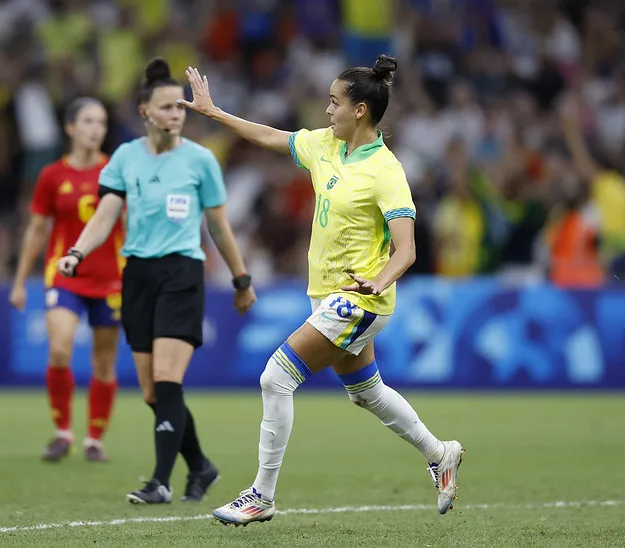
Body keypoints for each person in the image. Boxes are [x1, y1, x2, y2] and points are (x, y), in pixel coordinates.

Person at [178, 54, 465, 526]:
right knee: (366, 391)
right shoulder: (326, 147)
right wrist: (214, 113)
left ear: (360, 111)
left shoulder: (386, 171)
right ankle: (440, 454)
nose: (326, 110)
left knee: (276, 377)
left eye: (334, 102)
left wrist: (380, 279)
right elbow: (271, 136)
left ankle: (261, 496)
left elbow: (407, 248)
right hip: (329, 294)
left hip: (360, 298)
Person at [56, 58, 257, 504]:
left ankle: (161, 482)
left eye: (181, 109)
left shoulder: (200, 161)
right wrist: (76, 252)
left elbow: (219, 227)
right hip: (139, 276)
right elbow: (107, 213)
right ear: (145, 112)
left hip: (182, 272)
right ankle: (201, 466)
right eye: (166, 108)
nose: (176, 115)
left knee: (167, 378)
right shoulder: (125, 158)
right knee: (152, 391)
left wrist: (241, 278)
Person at [10, 97, 122, 463]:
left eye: (101, 122)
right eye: (88, 121)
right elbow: (37, 229)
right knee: (60, 349)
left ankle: (94, 440)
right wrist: (19, 280)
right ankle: (62, 433)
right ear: (70, 127)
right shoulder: (52, 176)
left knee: (103, 362)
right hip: (65, 276)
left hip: (110, 279)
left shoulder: (117, 171)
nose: (96, 129)